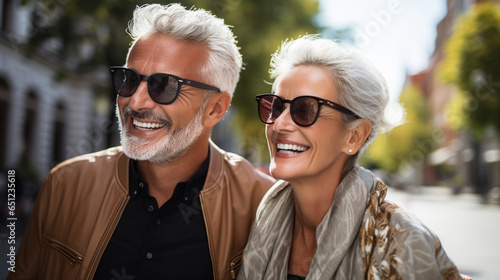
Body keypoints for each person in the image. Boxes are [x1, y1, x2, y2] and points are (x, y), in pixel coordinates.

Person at [8, 3, 274, 280]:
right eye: (129, 79)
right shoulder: (65, 183)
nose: (135, 101)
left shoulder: (265, 206)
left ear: (215, 109)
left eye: (166, 86)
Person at [237, 35, 468, 280]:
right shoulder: (263, 214)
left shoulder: (403, 242)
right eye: (276, 107)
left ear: (354, 137)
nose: (280, 123)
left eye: (305, 109)